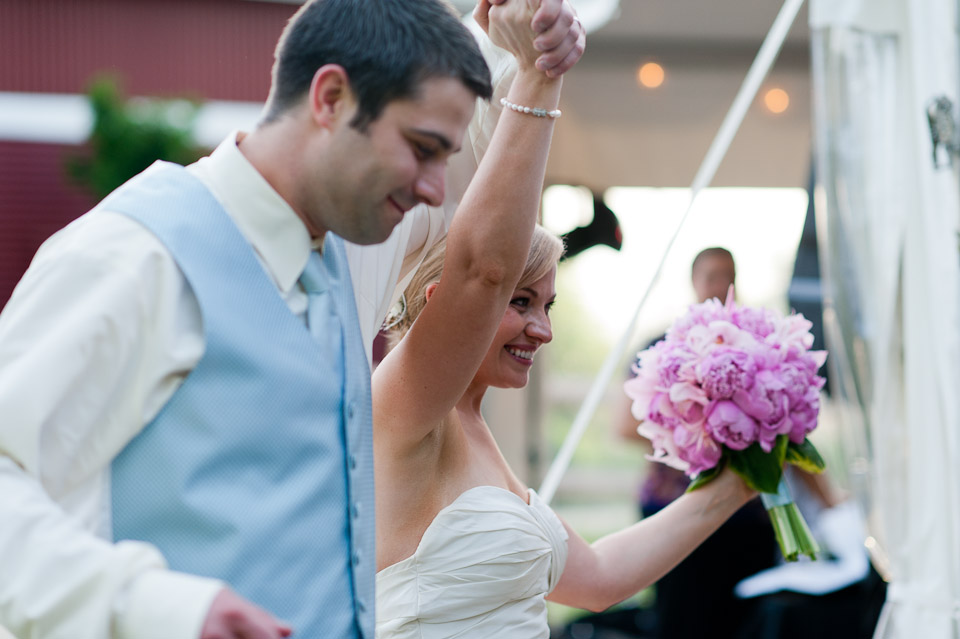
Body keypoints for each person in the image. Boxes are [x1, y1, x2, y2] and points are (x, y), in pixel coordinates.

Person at [0, 1, 585, 638]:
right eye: (421, 150)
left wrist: (524, 47)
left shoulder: (349, 242)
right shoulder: (136, 255)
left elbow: (481, 192)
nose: (435, 189)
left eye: (440, 157)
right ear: (330, 98)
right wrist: (165, 608)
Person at [373, 146, 756, 639]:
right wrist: (539, 85)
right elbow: (482, 273)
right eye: (521, 302)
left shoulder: (474, 429)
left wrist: (739, 481)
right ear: (445, 305)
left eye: (548, 306)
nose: (544, 330)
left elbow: (598, 578)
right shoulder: (407, 411)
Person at [613, 246, 777, 639]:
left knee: (745, 624)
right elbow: (623, 425)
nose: (720, 285)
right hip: (672, 506)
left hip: (744, 515)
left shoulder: (759, 349)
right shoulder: (661, 346)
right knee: (681, 620)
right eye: (711, 276)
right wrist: (701, 434)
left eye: (728, 276)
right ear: (693, 282)